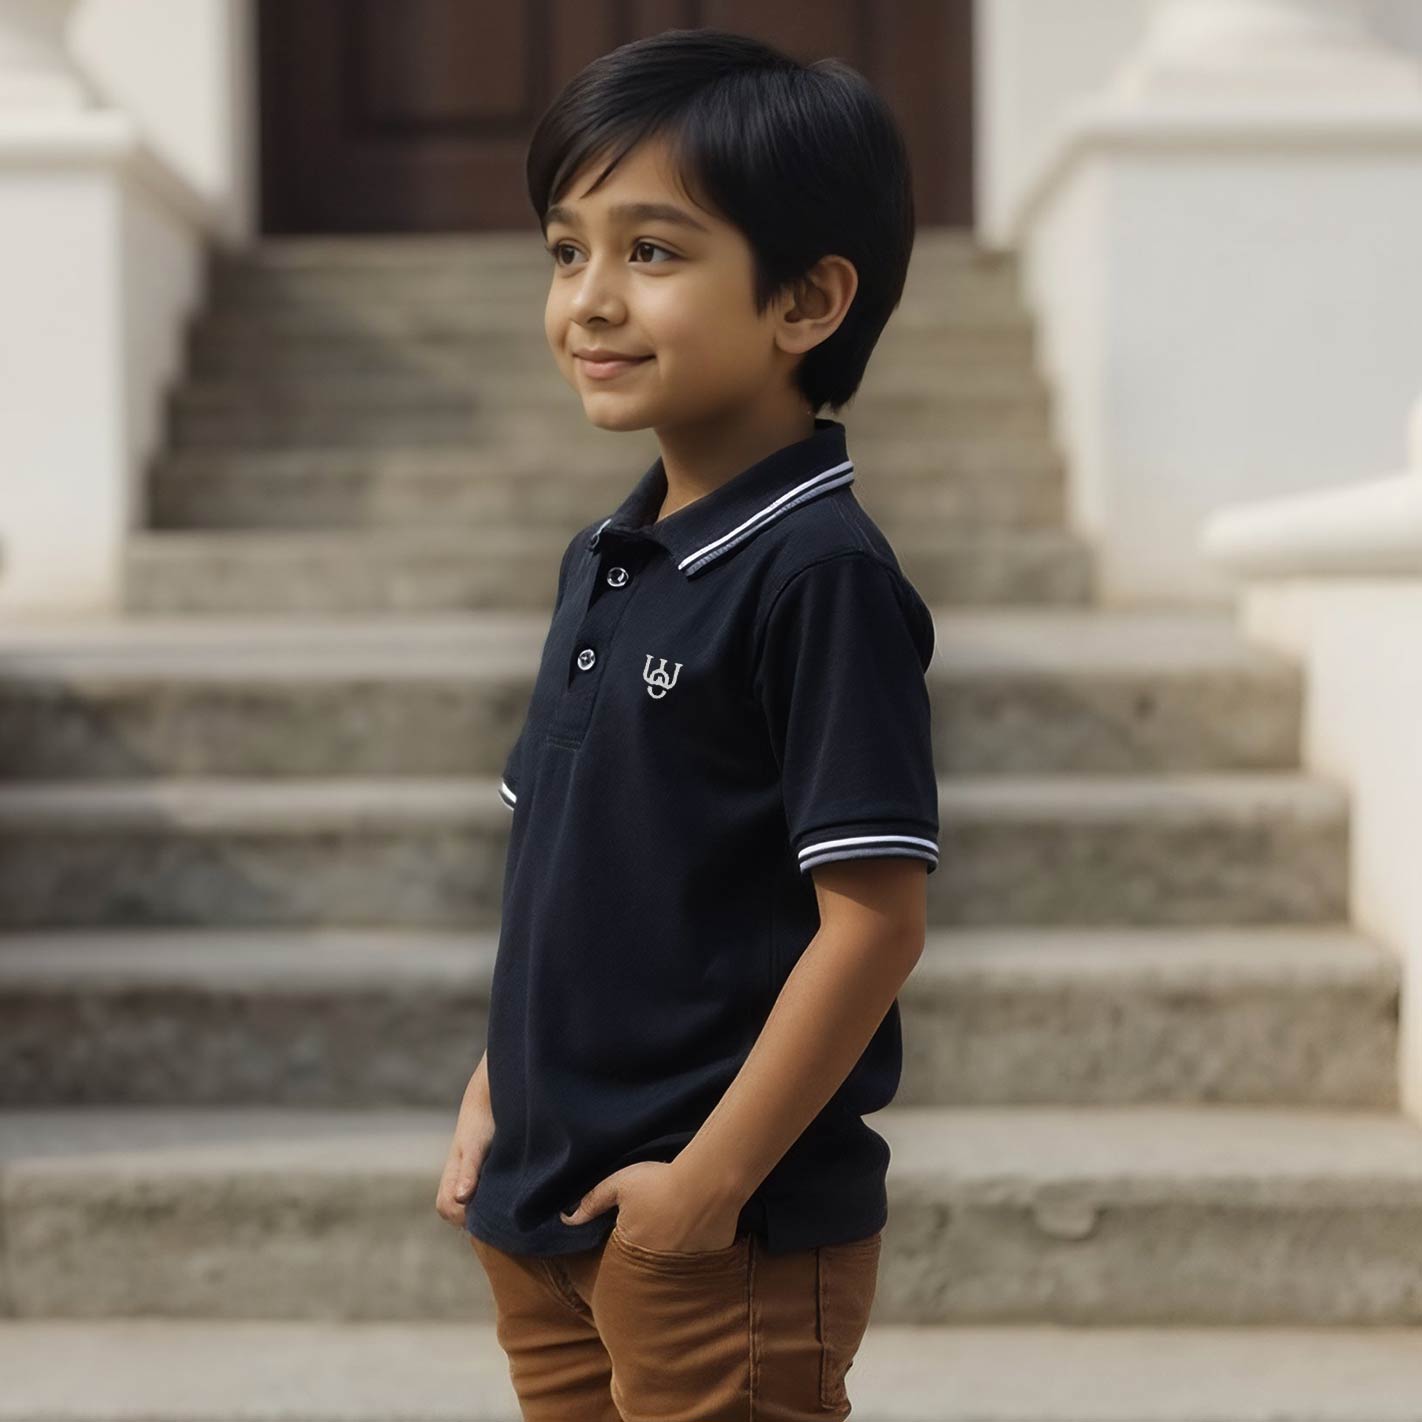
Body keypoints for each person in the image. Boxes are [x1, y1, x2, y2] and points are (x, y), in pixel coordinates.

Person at [434, 26, 937, 1420]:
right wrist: (495, 1090)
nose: (590, 300)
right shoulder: (607, 558)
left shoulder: (818, 575)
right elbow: (563, 875)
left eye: (650, 251)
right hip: (546, 1207)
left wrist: (705, 1187)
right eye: (566, 250)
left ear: (805, 301)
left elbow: (874, 923)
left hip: (717, 1235)